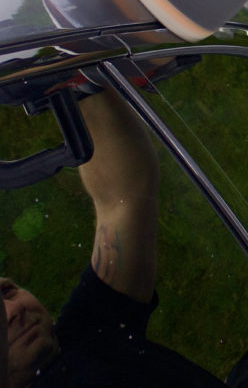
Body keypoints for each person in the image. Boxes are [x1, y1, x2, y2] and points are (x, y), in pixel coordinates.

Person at [2, 88, 224, 388]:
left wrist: (75, 78)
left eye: (9, 292)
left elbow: (125, 196)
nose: (14, 311)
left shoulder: (88, 336)